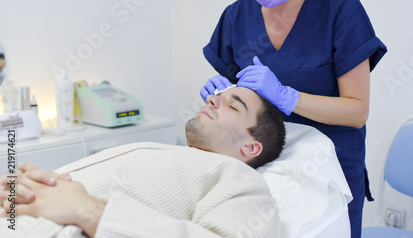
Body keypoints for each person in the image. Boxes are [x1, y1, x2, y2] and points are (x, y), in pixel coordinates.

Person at [200, 0, 387, 237]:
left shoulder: (341, 13)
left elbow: (357, 111)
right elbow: (238, 98)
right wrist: (221, 94)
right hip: (259, 173)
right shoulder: (236, 17)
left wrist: (287, 97)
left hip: (328, 175)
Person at [0, 86, 285, 238]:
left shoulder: (244, 183)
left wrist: (84, 209)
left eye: (233, 105)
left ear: (251, 146)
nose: (212, 99)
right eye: (217, 95)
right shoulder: (165, 154)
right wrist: (28, 187)